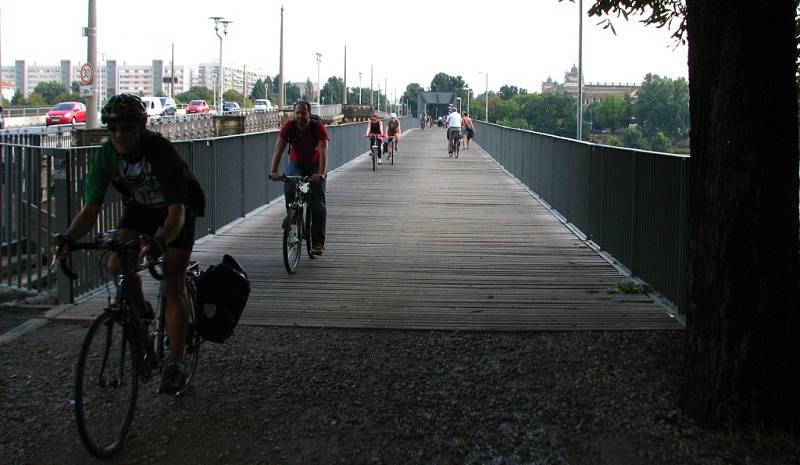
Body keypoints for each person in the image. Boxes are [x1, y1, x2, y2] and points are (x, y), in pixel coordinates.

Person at [54, 93, 205, 395]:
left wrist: (161, 242)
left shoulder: (159, 150)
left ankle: (175, 364)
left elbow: (176, 212)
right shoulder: (106, 155)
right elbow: (90, 210)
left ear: (140, 128)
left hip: (178, 207)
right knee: (116, 262)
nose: (119, 135)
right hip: (141, 207)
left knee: (172, 281)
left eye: (127, 128)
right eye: (113, 128)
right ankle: (140, 310)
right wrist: (69, 237)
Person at [269, 101, 330, 255]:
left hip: (315, 164)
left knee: (318, 203)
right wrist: (274, 171)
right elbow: (278, 150)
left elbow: (323, 152)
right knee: (289, 183)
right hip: (297, 163)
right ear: (294, 114)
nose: (300, 116)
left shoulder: (318, 127)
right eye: (297, 113)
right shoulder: (289, 127)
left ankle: (318, 242)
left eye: (303, 113)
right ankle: (292, 215)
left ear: (309, 114)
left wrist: (321, 174)